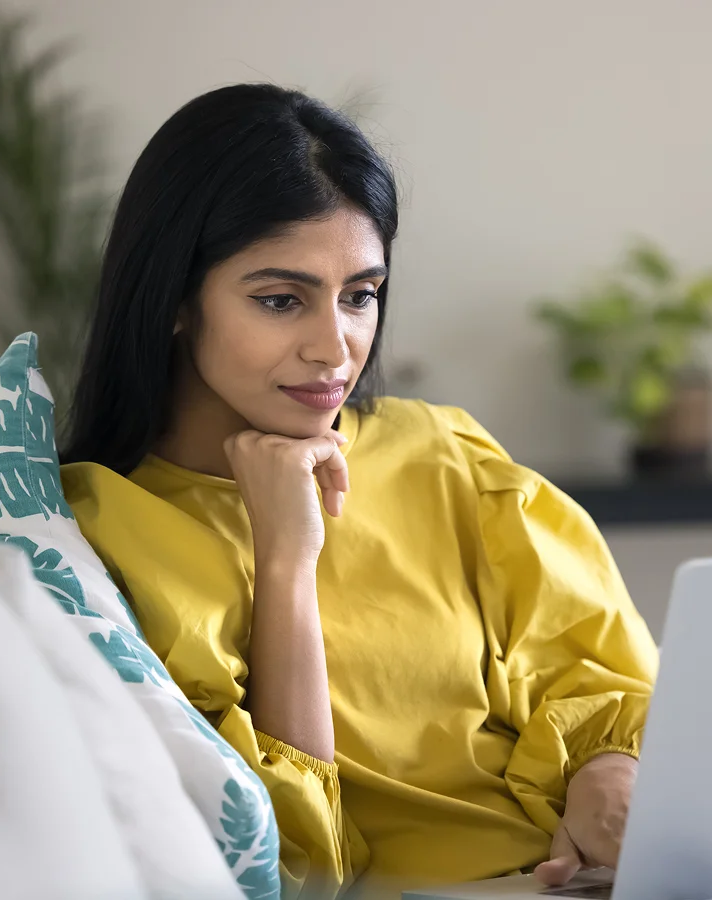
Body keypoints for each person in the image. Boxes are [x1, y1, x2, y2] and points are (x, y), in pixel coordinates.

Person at [60, 84, 658, 900]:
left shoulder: (442, 452)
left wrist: (608, 784)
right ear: (172, 299)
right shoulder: (111, 533)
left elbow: (600, 679)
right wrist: (284, 560)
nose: (334, 349)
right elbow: (295, 864)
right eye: (280, 300)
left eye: (360, 295)